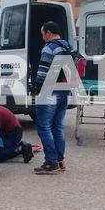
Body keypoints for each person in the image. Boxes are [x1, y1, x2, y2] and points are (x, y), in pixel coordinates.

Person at [33, 21, 71, 174]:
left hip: (50, 90)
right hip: (64, 89)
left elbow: (43, 72)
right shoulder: (67, 46)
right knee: (57, 126)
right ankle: (60, 160)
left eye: (43, 34)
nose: (42, 38)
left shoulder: (50, 48)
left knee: (43, 126)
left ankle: (51, 163)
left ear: (48, 32)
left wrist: (37, 89)